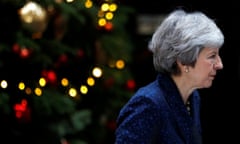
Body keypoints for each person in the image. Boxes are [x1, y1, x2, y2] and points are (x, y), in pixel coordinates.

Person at [115, 8, 224, 144]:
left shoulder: (193, 97)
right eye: (212, 56)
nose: (220, 64)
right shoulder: (147, 106)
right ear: (184, 61)